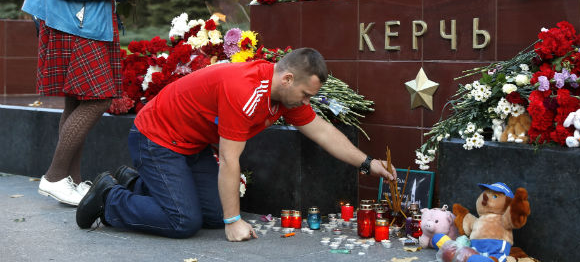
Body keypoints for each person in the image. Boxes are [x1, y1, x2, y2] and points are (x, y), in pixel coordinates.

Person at [76, 48, 396, 240]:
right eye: (306, 94)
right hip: (155, 139)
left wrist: (369, 164)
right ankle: (110, 198)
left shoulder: (286, 96)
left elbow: (323, 131)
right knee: (183, 222)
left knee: (213, 214)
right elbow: (230, 160)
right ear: (287, 79)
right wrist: (234, 224)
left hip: (190, 146)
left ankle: (138, 184)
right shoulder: (246, 91)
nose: (307, 101)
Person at [21, 0, 141, 206]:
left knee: (76, 100)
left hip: (87, 24)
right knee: (99, 97)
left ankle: (69, 183)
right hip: (69, 24)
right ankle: (55, 177)